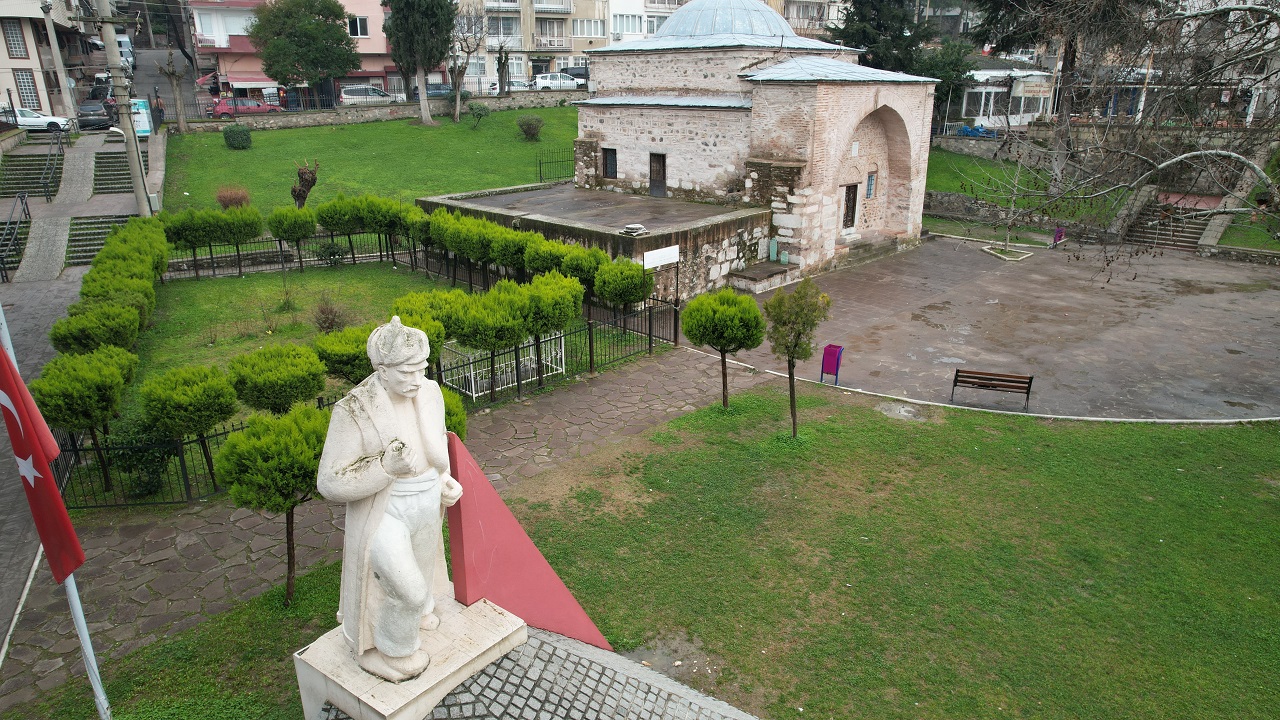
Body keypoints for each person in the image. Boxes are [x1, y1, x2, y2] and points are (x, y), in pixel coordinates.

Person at [317, 317, 463, 682]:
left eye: (421, 369)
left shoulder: (429, 392)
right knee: (408, 591)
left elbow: (436, 448)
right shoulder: (354, 409)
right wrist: (384, 466)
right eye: (406, 372)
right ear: (382, 370)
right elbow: (330, 481)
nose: (417, 380)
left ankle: (418, 615)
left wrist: (445, 480)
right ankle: (390, 651)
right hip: (385, 512)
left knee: (426, 575)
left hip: (426, 502)